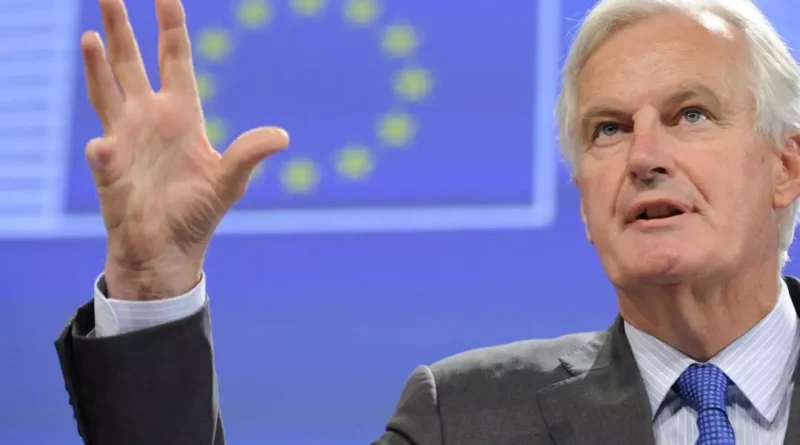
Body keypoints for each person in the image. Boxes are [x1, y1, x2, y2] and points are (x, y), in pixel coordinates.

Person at [54, 0, 800, 443]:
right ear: (584, 201)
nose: (644, 156)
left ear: (785, 166)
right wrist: (153, 284)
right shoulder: (464, 419)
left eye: (690, 114)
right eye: (608, 129)